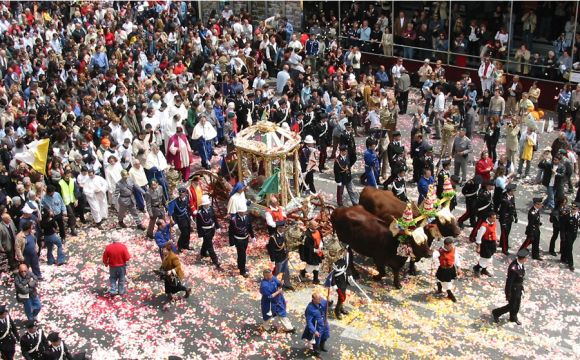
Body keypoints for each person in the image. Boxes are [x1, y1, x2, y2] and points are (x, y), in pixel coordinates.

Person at [492, 249, 529, 325]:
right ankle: (496, 312)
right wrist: (508, 293)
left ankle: (513, 317)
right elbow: (509, 282)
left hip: (518, 288)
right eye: (526, 258)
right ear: (523, 258)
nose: (527, 259)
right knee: (511, 306)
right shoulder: (513, 268)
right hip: (513, 289)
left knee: (517, 304)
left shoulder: (520, 264)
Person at [259, 269, 295, 333]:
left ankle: (288, 328)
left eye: (271, 274)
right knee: (268, 316)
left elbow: (278, 284)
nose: (272, 276)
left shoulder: (273, 278)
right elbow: (269, 297)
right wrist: (278, 292)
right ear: (266, 276)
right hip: (269, 303)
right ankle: (266, 327)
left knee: (282, 314)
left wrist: (281, 283)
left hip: (278, 300)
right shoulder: (264, 286)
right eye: (270, 275)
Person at [228, 204, 255, 277]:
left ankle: (240, 265)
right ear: (239, 212)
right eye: (242, 212)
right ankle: (242, 270)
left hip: (245, 238)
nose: (244, 213)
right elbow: (231, 232)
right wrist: (232, 243)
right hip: (238, 239)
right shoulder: (234, 220)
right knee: (242, 255)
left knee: (241, 254)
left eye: (244, 211)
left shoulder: (247, 217)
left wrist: (252, 236)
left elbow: (250, 227)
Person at [433, 237, 462, 302]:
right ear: (446, 245)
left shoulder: (453, 250)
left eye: (452, 245)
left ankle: (440, 288)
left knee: (447, 281)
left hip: (451, 269)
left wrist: (458, 268)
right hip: (443, 269)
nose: (451, 246)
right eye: (450, 245)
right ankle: (450, 294)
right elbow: (434, 256)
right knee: (445, 282)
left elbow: (456, 259)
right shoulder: (439, 251)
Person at [196, 194, 221, 269]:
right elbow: (198, 225)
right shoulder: (199, 213)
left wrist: (217, 227)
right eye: (206, 204)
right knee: (210, 246)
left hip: (211, 229)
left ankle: (203, 252)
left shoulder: (211, 209)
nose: (208, 205)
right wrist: (200, 234)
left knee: (206, 242)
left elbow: (214, 218)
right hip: (205, 231)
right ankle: (215, 260)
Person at [327, 247, 354, 319]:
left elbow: (347, 268)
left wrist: (350, 275)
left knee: (342, 296)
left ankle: (341, 308)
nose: (344, 253)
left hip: (344, 280)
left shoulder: (345, 259)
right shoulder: (335, 261)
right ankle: (337, 311)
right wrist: (333, 284)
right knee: (342, 297)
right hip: (338, 281)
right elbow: (331, 275)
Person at [267, 221, 293, 291]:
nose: (284, 229)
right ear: (279, 228)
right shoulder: (273, 237)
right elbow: (271, 249)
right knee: (277, 272)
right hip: (278, 257)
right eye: (282, 228)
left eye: (284, 228)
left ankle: (287, 284)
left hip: (284, 256)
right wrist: (272, 259)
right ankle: (271, 284)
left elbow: (286, 244)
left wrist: (287, 250)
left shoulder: (284, 235)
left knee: (286, 271)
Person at [473, 212, 498, 277]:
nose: (495, 219)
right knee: (485, 258)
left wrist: (496, 240)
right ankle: (477, 268)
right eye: (493, 218)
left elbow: (494, 231)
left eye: (495, 218)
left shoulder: (494, 224)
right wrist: (478, 246)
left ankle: (484, 270)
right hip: (486, 243)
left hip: (492, 243)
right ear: (489, 218)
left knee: (490, 257)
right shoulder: (484, 226)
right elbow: (479, 236)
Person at [169, 187, 194, 253]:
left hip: (187, 217)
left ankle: (186, 245)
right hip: (180, 219)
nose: (182, 195)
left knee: (188, 232)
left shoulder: (187, 198)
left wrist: (191, 215)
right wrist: (172, 220)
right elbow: (171, 212)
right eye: (180, 193)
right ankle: (179, 246)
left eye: (183, 193)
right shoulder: (175, 201)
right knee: (184, 232)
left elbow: (188, 207)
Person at [299, 220, 324, 284]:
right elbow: (307, 247)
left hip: (318, 251)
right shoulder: (306, 235)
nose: (316, 226)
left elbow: (320, 239)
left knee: (317, 265)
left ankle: (315, 279)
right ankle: (302, 273)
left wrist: (321, 246)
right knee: (310, 266)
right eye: (314, 225)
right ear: (310, 226)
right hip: (311, 253)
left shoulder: (318, 231)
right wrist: (315, 250)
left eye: (316, 225)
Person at [57, 170, 79, 237]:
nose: (68, 175)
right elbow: (59, 193)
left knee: (72, 214)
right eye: (67, 174)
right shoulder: (60, 182)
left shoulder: (72, 181)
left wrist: (76, 199)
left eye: (69, 174)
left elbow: (75, 190)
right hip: (65, 201)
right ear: (64, 174)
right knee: (71, 214)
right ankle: (73, 229)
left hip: (72, 199)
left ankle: (71, 224)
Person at [498, 184, 518, 255]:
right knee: (504, 234)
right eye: (513, 191)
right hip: (504, 219)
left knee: (507, 233)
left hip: (509, 218)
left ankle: (502, 243)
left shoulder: (512, 197)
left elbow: (513, 206)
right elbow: (502, 212)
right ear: (509, 191)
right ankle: (504, 249)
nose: (514, 192)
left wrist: (515, 216)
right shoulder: (504, 200)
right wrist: (503, 222)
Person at [561, 201, 579, 271]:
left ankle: (563, 257)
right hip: (568, 234)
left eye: (574, 209)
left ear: (578, 209)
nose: (573, 210)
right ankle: (571, 264)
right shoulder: (567, 216)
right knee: (569, 248)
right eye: (572, 208)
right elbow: (563, 226)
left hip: (574, 234)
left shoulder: (578, 215)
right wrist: (563, 235)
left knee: (567, 246)